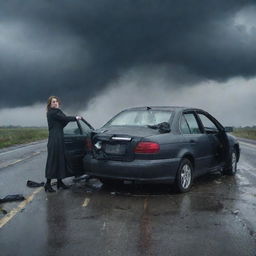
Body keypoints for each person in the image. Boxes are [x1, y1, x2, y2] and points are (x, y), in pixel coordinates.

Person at [44, 96, 82, 192]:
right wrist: (75, 118)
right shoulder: (52, 112)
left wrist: (68, 119)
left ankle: (59, 182)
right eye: (53, 102)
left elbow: (63, 121)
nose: (55, 103)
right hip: (54, 139)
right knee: (53, 161)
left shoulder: (56, 112)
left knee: (60, 160)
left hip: (58, 138)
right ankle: (47, 184)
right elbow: (64, 118)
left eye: (56, 101)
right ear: (50, 104)